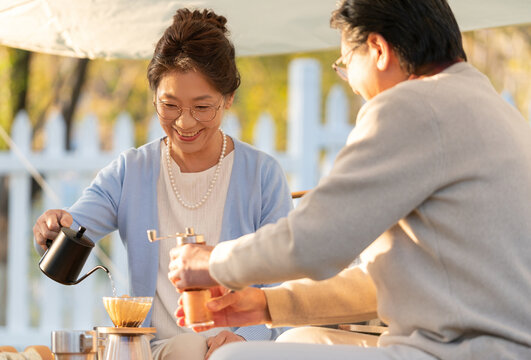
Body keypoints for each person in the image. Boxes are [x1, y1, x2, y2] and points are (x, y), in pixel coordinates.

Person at [168, 0, 531, 359]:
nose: (353, 86)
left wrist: (211, 262)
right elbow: (389, 282)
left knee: (234, 359)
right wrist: (265, 303)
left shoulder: (413, 106)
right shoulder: (496, 111)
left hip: (458, 351)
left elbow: (315, 238)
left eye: (345, 65)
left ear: (377, 49)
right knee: (302, 340)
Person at [32, 8, 293, 360]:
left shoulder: (262, 175)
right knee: (186, 347)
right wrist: (52, 227)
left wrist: (245, 337)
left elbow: (282, 279)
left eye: (203, 107)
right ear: (154, 95)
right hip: (156, 350)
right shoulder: (131, 171)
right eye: (169, 105)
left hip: (241, 351)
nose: (185, 122)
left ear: (228, 98)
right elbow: (74, 228)